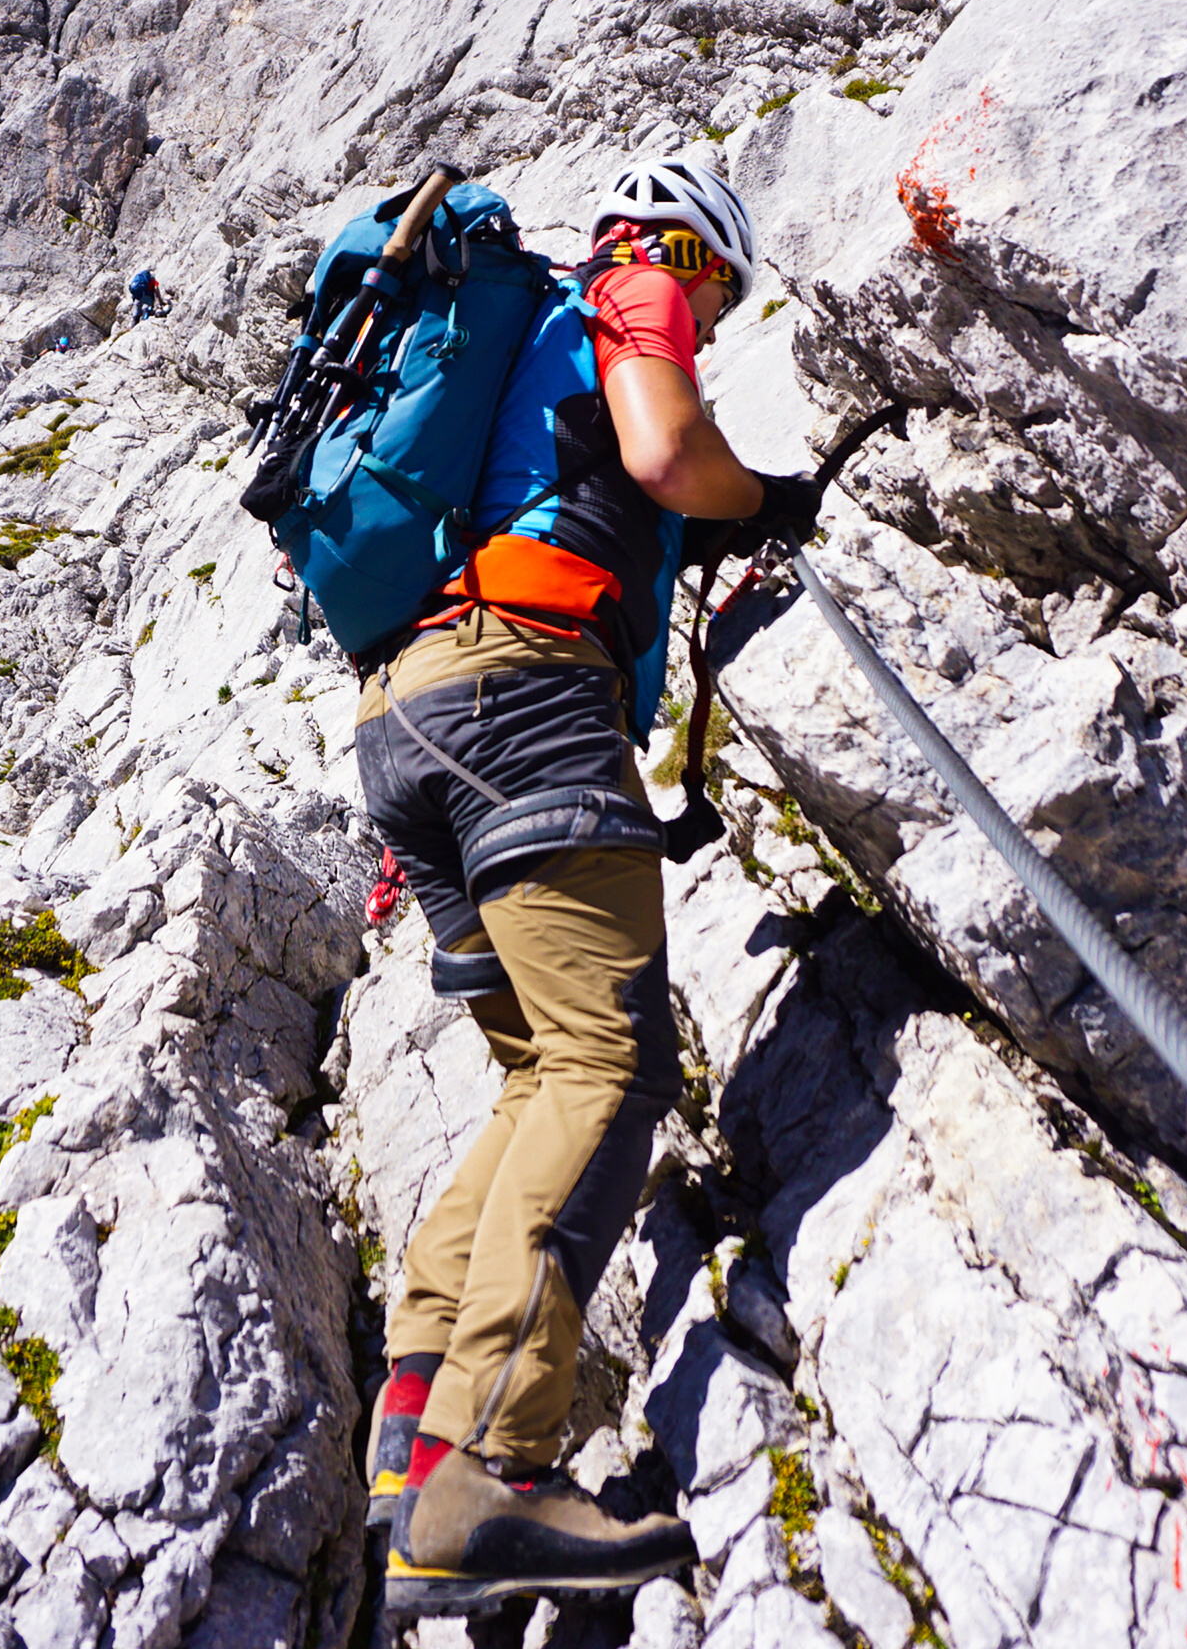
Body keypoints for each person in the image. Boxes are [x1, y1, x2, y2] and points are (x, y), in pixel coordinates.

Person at [358, 149, 825, 1613]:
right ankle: (487, 1470)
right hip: (526, 699)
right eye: (721, 286)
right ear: (689, 249)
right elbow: (666, 455)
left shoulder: (511, 344)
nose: (713, 308)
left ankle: (413, 1433)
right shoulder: (633, 285)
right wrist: (765, 500)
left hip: (409, 717)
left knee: (535, 1080)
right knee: (612, 1073)